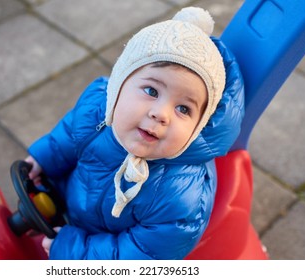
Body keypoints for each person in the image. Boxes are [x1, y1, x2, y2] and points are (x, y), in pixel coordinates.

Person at [25, 7, 244, 259]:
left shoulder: (181, 197)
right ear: (120, 84)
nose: (161, 114)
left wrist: (73, 250)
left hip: (94, 248)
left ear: (199, 125)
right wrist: (43, 159)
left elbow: (140, 256)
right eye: (151, 91)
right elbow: (66, 136)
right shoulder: (97, 109)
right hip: (70, 199)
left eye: (183, 108)